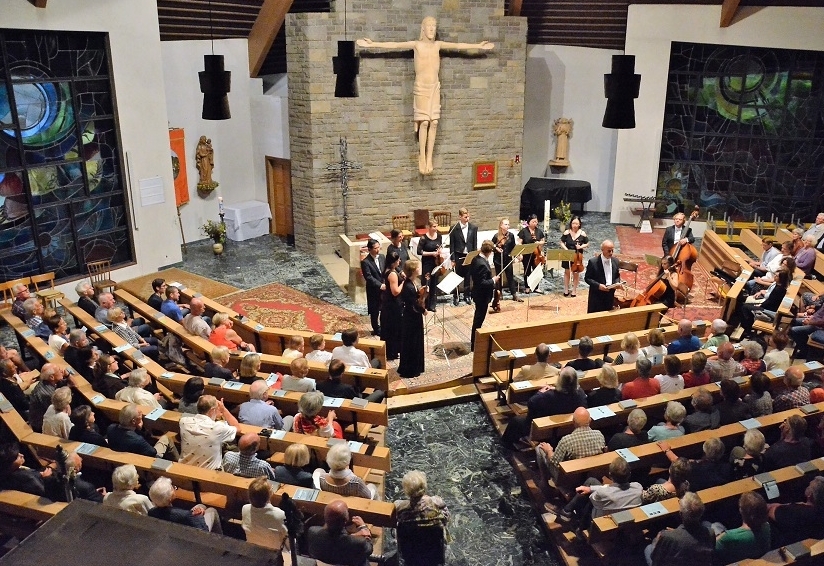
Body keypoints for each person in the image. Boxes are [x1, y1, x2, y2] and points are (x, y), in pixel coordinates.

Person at [357, 17, 494, 175]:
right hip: (421, 87)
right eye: (429, 26)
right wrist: (373, 44)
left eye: (434, 27)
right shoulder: (417, 45)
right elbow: (395, 45)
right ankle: (422, 156)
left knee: (434, 122)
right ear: (423, 28)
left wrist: (478, 46)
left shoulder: (438, 45)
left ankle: (430, 158)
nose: (431, 29)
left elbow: (458, 46)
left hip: (434, 87)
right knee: (424, 123)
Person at [502, 366, 586, 448]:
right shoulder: (580, 393)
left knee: (516, 421)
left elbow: (531, 403)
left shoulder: (548, 396)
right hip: (567, 428)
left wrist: (540, 392)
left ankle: (506, 446)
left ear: (560, 380)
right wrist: (555, 389)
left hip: (542, 429)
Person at [558, 456, 642, 527]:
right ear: (629, 474)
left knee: (585, 497)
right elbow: (614, 489)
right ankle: (567, 510)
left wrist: (591, 490)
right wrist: (591, 488)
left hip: (600, 523)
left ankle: (577, 524)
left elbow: (592, 498)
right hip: (625, 520)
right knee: (591, 481)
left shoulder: (602, 494)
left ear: (610, 475)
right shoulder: (638, 488)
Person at [535, 407, 605, 487]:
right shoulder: (599, 435)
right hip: (593, 475)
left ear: (573, 422)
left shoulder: (566, 440)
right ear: (590, 420)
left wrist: (549, 451)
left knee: (539, 448)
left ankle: (544, 483)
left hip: (569, 480)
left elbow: (554, 462)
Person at [646, 491, 713, 566]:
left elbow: (656, 559)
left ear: (680, 514)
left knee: (648, 548)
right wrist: (677, 533)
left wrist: (658, 541)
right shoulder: (710, 533)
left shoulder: (667, 537)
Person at [179, 395, 239, 469]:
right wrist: (223, 410)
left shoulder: (184, 422)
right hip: (209, 473)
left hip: (184, 468)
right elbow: (237, 428)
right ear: (212, 410)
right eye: (217, 408)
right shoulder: (218, 428)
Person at [307, 499, 373, 566]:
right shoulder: (359, 543)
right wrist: (363, 527)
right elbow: (369, 550)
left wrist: (353, 536)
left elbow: (335, 541)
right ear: (346, 519)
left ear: (325, 517)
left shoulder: (312, 531)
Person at [713, 492, 771, 564]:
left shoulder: (729, 536)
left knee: (713, 525)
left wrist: (720, 535)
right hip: (757, 558)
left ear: (741, 511)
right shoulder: (766, 526)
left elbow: (712, 547)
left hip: (733, 561)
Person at [767, 475, 824, 546]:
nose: (808, 486)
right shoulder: (820, 512)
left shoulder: (796, 512)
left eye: (809, 486)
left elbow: (770, 511)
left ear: (810, 495)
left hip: (785, 541)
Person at [149, 476, 220, 533]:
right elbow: (204, 531)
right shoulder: (187, 515)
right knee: (212, 510)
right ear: (170, 498)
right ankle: (220, 541)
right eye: (172, 488)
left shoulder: (151, 512)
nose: (174, 489)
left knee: (201, 506)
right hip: (192, 541)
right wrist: (199, 516)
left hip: (173, 534)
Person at [107, 404, 177, 459]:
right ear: (133, 421)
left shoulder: (110, 428)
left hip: (122, 457)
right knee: (166, 438)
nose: (142, 416)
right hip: (144, 460)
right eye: (140, 416)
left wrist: (139, 429)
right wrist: (143, 429)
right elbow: (153, 452)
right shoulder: (137, 439)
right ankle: (179, 463)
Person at [660, 437, 730, 492]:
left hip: (692, 491)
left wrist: (667, 450)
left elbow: (680, 463)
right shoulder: (726, 467)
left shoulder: (696, 467)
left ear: (704, 450)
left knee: (660, 481)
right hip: (711, 492)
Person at [242, 476, 288, 550]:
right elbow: (288, 541)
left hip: (253, 549)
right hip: (275, 553)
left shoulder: (245, 509)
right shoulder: (279, 514)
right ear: (270, 494)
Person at [469, 240, 500, 350]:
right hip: (481, 296)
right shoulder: (481, 263)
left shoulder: (476, 258)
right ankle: (474, 344)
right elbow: (482, 283)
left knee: (478, 319)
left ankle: (475, 342)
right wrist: (493, 280)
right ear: (490, 252)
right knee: (478, 320)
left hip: (479, 294)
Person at [398, 258, 425, 379]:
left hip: (413, 316)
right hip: (411, 318)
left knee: (416, 341)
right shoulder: (408, 286)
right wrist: (423, 310)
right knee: (412, 342)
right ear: (413, 270)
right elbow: (413, 303)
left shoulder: (413, 282)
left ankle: (416, 366)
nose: (420, 269)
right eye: (418, 267)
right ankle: (410, 369)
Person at [741, 267, 789, 333]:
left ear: (781, 278)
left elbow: (771, 302)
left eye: (777, 276)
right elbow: (769, 300)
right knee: (745, 306)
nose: (774, 276)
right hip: (766, 306)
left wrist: (760, 305)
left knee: (745, 307)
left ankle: (748, 330)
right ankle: (747, 326)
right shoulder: (778, 285)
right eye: (775, 275)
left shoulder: (779, 290)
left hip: (769, 311)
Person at [29, 364, 72, 433]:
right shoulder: (47, 394)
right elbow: (66, 411)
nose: (62, 371)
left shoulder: (49, 381)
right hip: (41, 425)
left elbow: (74, 384)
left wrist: (68, 375)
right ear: (52, 377)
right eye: (59, 370)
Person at [450, 207, 477, 305]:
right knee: (456, 276)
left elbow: (474, 243)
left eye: (468, 217)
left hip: (468, 255)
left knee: (467, 276)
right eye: (465, 217)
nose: (467, 219)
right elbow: (452, 245)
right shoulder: (454, 228)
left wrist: (474, 256)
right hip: (458, 255)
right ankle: (456, 295)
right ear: (460, 217)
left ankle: (467, 295)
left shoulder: (473, 228)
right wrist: (452, 259)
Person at [584, 240, 621, 313]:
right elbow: (587, 278)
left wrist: (617, 283)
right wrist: (599, 286)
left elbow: (617, 276)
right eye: (609, 251)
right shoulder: (593, 262)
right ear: (602, 250)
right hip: (597, 296)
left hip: (610, 295)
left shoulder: (615, 261)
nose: (611, 253)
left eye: (612, 250)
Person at [379, 250, 403, 361]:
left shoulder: (390, 270)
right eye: (398, 260)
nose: (400, 261)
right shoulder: (392, 274)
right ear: (393, 262)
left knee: (392, 328)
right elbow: (395, 291)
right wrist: (404, 282)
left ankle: (392, 350)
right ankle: (392, 352)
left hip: (388, 304)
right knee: (393, 328)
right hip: (393, 305)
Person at [416, 219, 444, 312]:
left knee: (434, 283)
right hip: (427, 263)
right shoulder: (423, 238)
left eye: (437, 226)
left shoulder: (439, 236)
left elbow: (440, 246)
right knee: (427, 283)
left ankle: (432, 305)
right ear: (429, 227)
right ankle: (424, 304)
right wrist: (432, 253)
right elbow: (419, 251)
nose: (436, 228)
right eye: (434, 227)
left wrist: (439, 251)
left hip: (436, 263)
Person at [491, 217, 520, 303]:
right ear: (501, 225)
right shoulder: (496, 236)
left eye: (508, 224)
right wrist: (496, 248)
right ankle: (499, 294)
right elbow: (491, 246)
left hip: (508, 259)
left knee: (510, 277)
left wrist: (517, 255)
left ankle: (514, 295)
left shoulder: (511, 235)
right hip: (498, 260)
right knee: (498, 278)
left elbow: (513, 247)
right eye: (506, 224)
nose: (508, 226)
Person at [360, 238, 385, 336]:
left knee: (384, 308)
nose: (378, 250)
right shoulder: (365, 262)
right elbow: (368, 277)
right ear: (369, 249)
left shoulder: (382, 257)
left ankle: (384, 326)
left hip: (384, 288)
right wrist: (380, 285)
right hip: (374, 289)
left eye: (379, 247)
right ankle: (376, 328)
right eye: (375, 248)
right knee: (374, 311)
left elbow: (386, 269)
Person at [560, 215, 589, 297]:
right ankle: (566, 289)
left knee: (576, 273)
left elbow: (587, 243)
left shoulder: (582, 234)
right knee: (567, 272)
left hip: (577, 256)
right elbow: (561, 242)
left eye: (577, 223)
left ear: (579, 224)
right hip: (567, 254)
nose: (575, 225)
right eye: (573, 223)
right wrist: (566, 249)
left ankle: (574, 290)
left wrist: (581, 247)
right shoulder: (566, 232)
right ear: (571, 224)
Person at [517, 214, 546, 292]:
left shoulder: (539, 231)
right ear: (529, 222)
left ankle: (536, 287)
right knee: (527, 271)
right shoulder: (524, 231)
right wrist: (520, 253)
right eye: (533, 221)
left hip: (536, 254)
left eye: (536, 222)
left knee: (537, 270)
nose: (535, 223)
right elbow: (519, 242)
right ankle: (527, 287)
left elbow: (543, 241)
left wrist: (539, 243)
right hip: (526, 254)